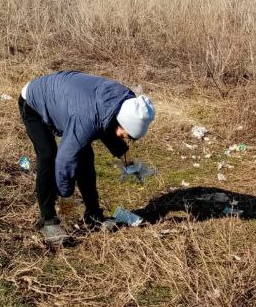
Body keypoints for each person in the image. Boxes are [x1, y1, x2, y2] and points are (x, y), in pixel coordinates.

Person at [18, 70, 155, 246]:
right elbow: (64, 162)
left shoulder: (127, 103)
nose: (125, 138)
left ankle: (93, 216)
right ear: (122, 122)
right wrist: (66, 198)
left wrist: (130, 164)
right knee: (49, 157)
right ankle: (48, 221)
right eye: (126, 134)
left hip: (69, 101)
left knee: (86, 157)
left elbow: (110, 129)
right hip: (33, 102)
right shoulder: (87, 119)